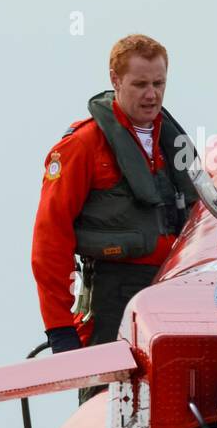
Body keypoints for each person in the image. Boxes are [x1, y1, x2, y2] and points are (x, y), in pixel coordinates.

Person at [31, 34, 199, 399]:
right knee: (107, 413)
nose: (151, 94)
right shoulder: (82, 146)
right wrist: (60, 330)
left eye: (158, 83)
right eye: (140, 84)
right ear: (115, 80)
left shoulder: (171, 146)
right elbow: (50, 239)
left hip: (173, 297)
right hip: (113, 299)